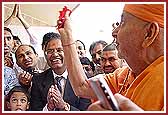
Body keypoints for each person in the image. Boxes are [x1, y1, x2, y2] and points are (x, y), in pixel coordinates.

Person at [57, 3, 164, 111]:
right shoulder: (124, 75)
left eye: (122, 23)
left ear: (149, 33)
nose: (114, 32)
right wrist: (67, 37)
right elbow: (82, 87)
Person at [30, 32, 91, 111]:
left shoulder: (84, 78)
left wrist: (64, 106)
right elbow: (35, 111)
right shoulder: (38, 80)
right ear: (45, 55)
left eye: (59, 50)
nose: (55, 54)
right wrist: (48, 108)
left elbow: (86, 111)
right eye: (50, 51)